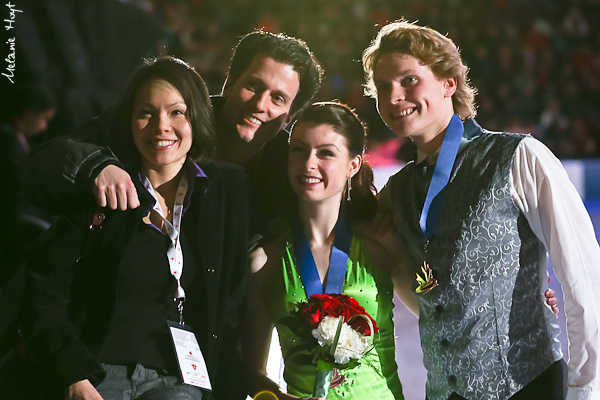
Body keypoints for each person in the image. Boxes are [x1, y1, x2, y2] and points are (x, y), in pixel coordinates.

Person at [362, 20, 600, 400]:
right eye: (383, 87)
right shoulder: (398, 191)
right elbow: (433, 303)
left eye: (408, 80)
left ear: (448, 83)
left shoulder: (519, 157)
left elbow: (584, 281)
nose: (394, 96)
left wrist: (585, 390)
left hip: (527, 387)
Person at [20, 56, 248, 400]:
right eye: (146, 113)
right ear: (129, 121)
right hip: (96, 373)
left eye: (176, 112)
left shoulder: (222, 192)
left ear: (196, 117)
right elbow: (43, 291)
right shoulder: (102, 191)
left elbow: (232, 300)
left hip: (176, 379)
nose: (161, 126)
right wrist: (74, 376)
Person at [21, 30, 323, 247]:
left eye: (278, 99)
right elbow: (43, 165)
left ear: (290, 116)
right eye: (253, 86)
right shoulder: (166, 119)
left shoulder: (292, 170)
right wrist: (95, 166)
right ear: (229, 82)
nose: (260, 104)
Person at [244, 102, 406, 400]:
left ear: (352, 165)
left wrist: (397, 246)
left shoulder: (379, 244)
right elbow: (251, 373)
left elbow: (435, 308)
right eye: (299, 150)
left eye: (326, 153)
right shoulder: (265, 261)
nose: (308, 163)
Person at [0, 83, 56, 288]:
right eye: (43, 119)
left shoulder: (19, 139)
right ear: (29, 112)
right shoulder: (6, 139)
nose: (43, 127)